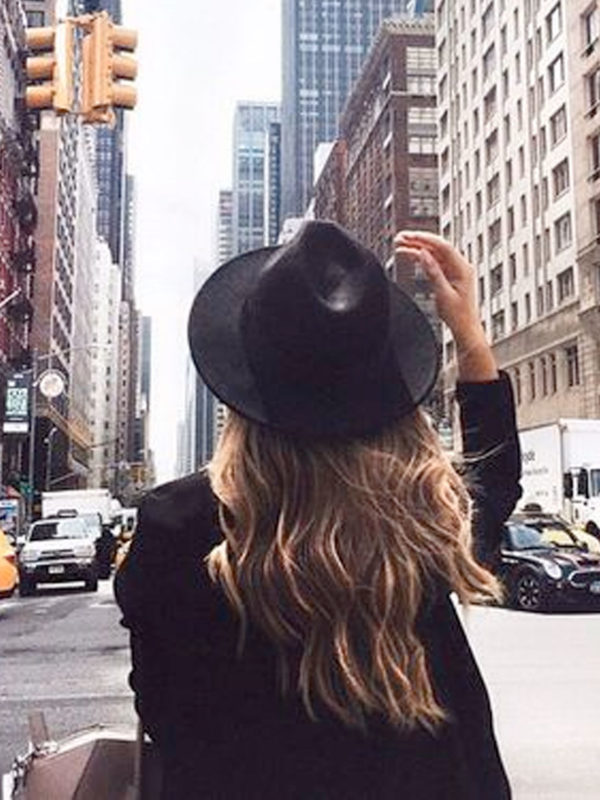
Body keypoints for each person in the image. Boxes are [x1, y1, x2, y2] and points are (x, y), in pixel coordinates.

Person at [115, 222, 521, 799]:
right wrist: (470, 338)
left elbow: (161, 705)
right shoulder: (419, 519)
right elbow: (493, 482)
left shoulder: (178, 528)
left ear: (244, 382)